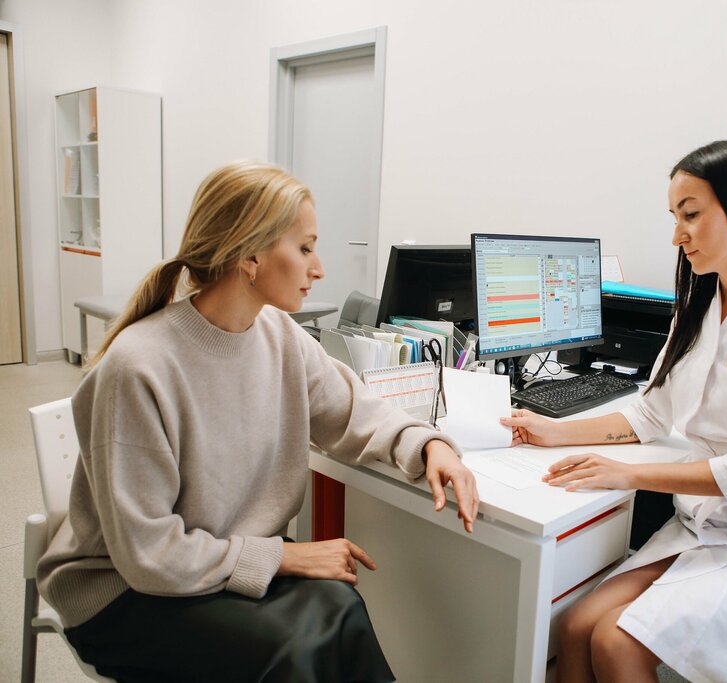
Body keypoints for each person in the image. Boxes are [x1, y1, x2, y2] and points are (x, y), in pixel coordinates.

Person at [36, 160, 479, 683]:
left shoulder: (280, 337)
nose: (320, 269)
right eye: (306, 248)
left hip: (219, 562)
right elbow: (149, 555)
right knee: (296, 650)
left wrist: (429, 446)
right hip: (123, 592)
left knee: (342, 612)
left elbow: (354, 412)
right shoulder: (138, 366)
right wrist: (286, 558)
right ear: (249, 255)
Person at [501, 141, 727, 683]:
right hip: (707, 526)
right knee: (576, 628)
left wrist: (631, 474)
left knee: (617, 643)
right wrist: (557, 432)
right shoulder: (701, 305)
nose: (676, 235)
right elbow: (650, 415)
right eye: (674, 217)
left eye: (690, 214)